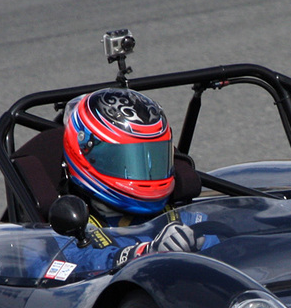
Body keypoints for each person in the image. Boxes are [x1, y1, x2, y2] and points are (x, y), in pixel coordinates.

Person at [44, 87, 215, 280]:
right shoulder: (69, 227)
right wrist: (143, 253)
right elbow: (67, 266)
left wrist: (203, 243)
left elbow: (223, 240)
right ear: (88, 154)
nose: (144, 171)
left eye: (152, 157)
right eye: (128, 161)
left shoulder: (182, 217)